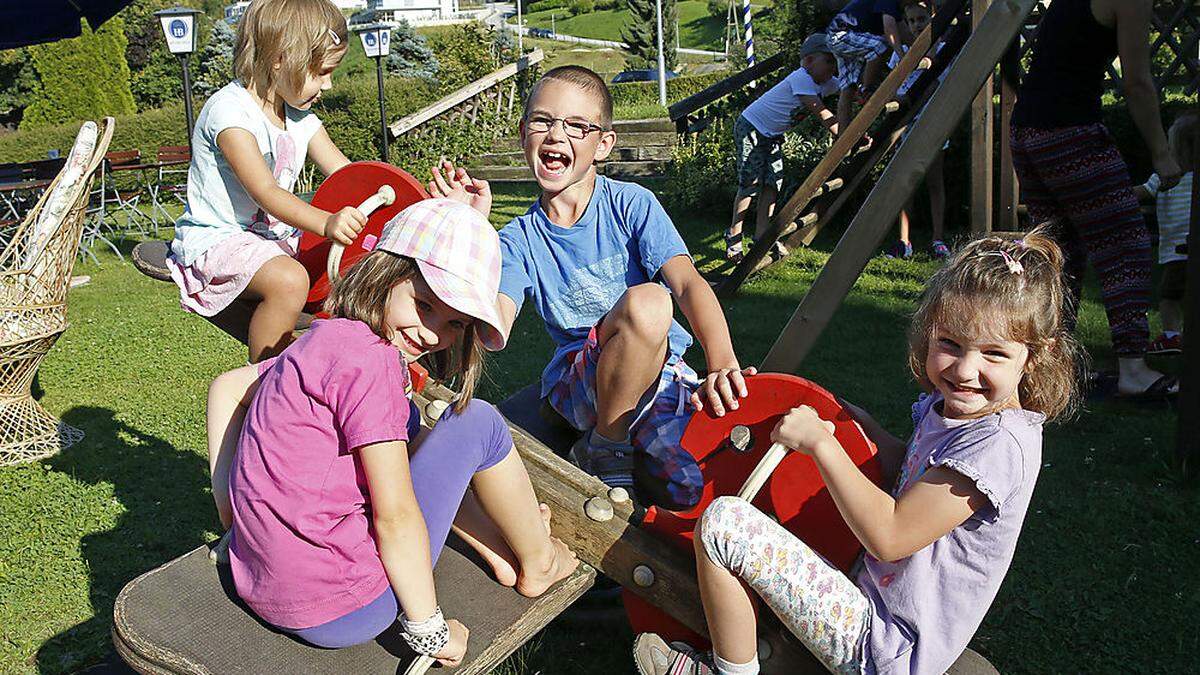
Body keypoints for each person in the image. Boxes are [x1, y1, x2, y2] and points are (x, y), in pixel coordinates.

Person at [634, 230, 1081, 675]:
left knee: (724, 525)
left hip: (886, 644)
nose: (966, 369)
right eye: (950, 344)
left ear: (1035, 356)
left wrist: (822, 444)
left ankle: (727, 671)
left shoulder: (998, 446)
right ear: (929, 332)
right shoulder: (966, 417)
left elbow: (890, 537)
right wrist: (857, 425)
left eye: (994, 354)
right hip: (874, 603)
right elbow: (912, 469)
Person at [205, 199, 579, 662]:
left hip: (261, 580)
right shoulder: (373, 367)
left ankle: (506, 548)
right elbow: (396, 517)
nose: (431, 333)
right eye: (423, 305)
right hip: (351, 607)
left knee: (413, 429)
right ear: (382, 275)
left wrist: (232, 516)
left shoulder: (323, 338)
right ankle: (540, 559)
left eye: (455, 323)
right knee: (477, 422)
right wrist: (432, 633)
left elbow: (225, 388)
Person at [429, 66, 752, 510]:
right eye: (543, 121)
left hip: (659, 373)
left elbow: (688, 283)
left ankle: (628, 470)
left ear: (602, 144)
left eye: (577, 126)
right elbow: (492, 324)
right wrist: (470, 230)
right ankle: (606, 446)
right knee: (651, 302)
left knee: (690, 484)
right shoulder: (517, 239)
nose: (556, 135)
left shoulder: (631, 204)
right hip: (576, 387)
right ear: (524, 134)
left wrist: (721, 361)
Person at [167, 0, 367, 363]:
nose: (329, 84)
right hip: (218, 239)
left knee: (357, 271)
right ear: (280, 58)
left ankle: (337, 364)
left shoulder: (301, 119)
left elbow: (348, 174)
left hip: (272, 240)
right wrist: (326, 222)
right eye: (321, 72)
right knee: (289, 280)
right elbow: (266, 192)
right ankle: (266, 380)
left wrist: (405, 205)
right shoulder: (229, 114)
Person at [1009, 0, 1183, 399]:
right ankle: (1133, 371)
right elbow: (1137, 82)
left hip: (1027, 132)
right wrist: (1160, 150)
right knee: (1125, 245)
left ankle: (1054, 370)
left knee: (1059, 254)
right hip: (1070, 133)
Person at [725, 34, 840, 263]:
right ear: (808, 62)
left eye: (835, 61)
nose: (833, 67)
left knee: (772, 184)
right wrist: (849, 134)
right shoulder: (801, 79)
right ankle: (734, 236)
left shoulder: (825, 82)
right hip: (752, 128)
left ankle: (761, 237)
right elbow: (821, 113)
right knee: (751, 183)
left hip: (772, 135)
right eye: (828, 61)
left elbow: (848, 89)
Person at [885, 0, 948, 260]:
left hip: (933, 123)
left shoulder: (944, 50)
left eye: (921, 19)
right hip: (906, 126)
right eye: (911, 21)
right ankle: (904, 240)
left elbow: (939, 86)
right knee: (905, 184)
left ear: (932, 17)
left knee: (934, 181)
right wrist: (897, 99)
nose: (915, 25)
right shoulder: (901, 53)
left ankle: (938, 239)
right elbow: (892, 87)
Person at [1135, 112, 1196, 356]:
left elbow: (1143, 192)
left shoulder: (1165, 177)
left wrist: (1116, 192)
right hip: (1187, 248)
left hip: (1176, 251)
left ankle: (1172, 336)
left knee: (1169, 296)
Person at [827, 0, 906, 136]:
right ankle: (868, 91)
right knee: (880, 46)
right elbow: (890, 29)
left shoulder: (895, 8)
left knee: (848, 88)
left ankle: (842, 137)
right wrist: (902, 56)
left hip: (838, 35)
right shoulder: (890, 3)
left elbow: (905, 33)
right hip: (842, 34)